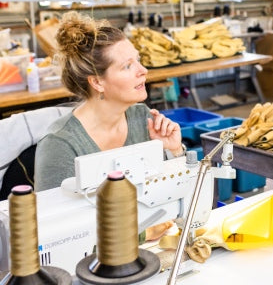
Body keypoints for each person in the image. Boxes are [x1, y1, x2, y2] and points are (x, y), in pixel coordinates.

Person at [34, 12, 185, 191]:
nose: (143, 70)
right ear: (97, 82)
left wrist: (173, 151)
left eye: (138, 60)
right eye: (127, 66)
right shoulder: (59, 145)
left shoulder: (141, 117)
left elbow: (171, 192)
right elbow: (51, 215)